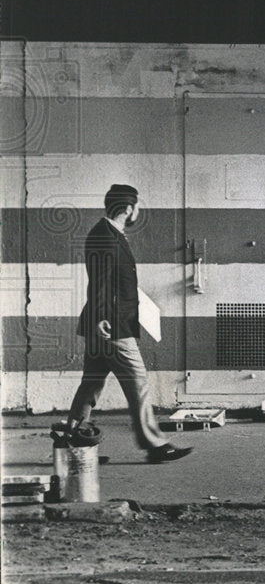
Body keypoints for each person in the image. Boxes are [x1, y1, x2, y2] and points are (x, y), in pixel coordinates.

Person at [65, 184, 192, 463]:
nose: (138, 212)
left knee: (91, 383)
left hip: (108, 322)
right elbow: (98, 281)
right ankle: (155, 445)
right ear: (127, 209)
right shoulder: (105, 236)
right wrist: (101, 317)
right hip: (111, 325)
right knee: (138, 382)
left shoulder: (111, 234)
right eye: (137, 207)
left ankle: (73, 442)